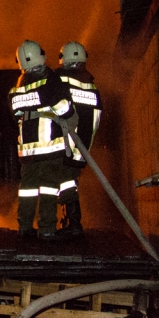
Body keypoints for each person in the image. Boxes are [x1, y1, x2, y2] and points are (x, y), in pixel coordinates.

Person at [8, 40, 77, 241]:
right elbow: (65, 109)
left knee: (27, 190)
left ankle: (24, 227)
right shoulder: (51, 81)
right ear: (40, 56)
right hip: (49, 147)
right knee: (49, 187)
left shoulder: (17, 87)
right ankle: (46, 229)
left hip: (28, 150)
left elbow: (15, 114)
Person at [55, 42, 101, 239]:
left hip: (64, 142)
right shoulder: (90, 84)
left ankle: (73, 223)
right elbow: (95, 118)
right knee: (68, 182)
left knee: (64, 183)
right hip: (82, 144)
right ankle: (69, 221)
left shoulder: (59, 80)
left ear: (63, 58)